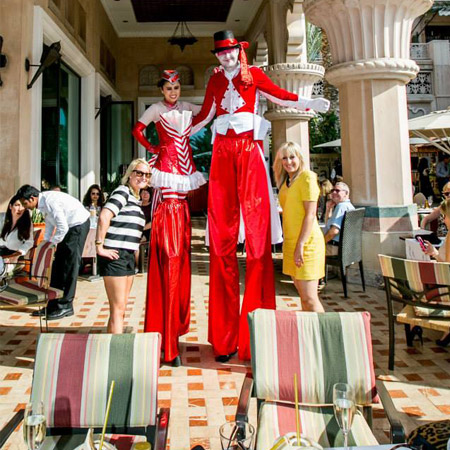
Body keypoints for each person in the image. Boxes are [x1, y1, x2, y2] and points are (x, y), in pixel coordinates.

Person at [191, 30, 330, 362]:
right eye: (219, 52)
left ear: (238, 51)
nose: (224, 56)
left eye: (229, 51)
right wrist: (179, 131)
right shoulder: (213, 81)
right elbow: (206, 114)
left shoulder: (253, 75)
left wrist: (308, 102)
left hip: (249, 149)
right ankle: (224, 340)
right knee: (222, 240)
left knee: (257, 242)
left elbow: (279, 95)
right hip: (223, 149)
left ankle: (256, 336)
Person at [132, 70, 206, 366]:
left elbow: (209, 111)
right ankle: (166, 341)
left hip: (184, 178)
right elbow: (137, 129)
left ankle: (172, 333)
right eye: (169, 87)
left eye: (176, 87)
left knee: (180, 259)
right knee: (169, 258)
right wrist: (152, 148)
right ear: (161, 89)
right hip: (166, 179)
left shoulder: (187, 108)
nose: (173, 91)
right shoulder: (156, 109)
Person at [16, 185, 90, 320]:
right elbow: (50, 224)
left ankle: (66, 306)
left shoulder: (50, 202)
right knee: (57, 266)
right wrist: (46, 243)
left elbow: (62, 227)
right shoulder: (42, 203)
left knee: (69, 267)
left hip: (77, 225)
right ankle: (52, 304)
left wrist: (52, 244)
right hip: (68, 228)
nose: (25, 207)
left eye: (25, 203)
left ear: (32, 198)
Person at [95, 158, 148, 334]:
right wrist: (99, 247)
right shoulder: (122, 192)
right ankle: (115, 354)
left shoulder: (135, 199)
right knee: (117, 309)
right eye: (139, 173)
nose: (143, 177)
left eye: (146, 175)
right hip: (114, 255)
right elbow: (104, 216)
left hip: (127, 256)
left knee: (121, 308)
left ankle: (110, 346)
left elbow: (133, 228)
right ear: (129, 174)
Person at [274, 142, 325, 312]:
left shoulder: (307, 177)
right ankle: (310, 335)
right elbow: (290, 209)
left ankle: (324, 337)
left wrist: (300, 245)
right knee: (303, 297)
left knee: (310, 299)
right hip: (290, 241)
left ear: (300, 158)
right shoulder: (286, 181)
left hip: (306, 243)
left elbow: (310, 214)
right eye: (284, 158)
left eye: (292, 157)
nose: (288, 161)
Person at [422, 198, 450, 347]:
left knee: (414, 285)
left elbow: (447, 267)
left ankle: (414, 326)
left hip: (446, 289)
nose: (444, 220)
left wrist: (434, 254)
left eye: (445, 216)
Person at [0, 195, 34, 274]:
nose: (20, 209)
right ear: (10, 206)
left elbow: (29, 242)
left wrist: (18, 253)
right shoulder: (1, 218)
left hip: (11, 257)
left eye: (23, 205)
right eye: (17, 205)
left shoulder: (27, 224)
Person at [323, 182, 355, 255]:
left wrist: (322, 243)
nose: (334, 192)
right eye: (332, 190)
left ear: (346, 194)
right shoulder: (349, 206)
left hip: (335, 248)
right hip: (346, 249)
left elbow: (333, 232)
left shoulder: (341, 207)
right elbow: (327, 224)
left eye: (337, 191)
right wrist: (329, 209)